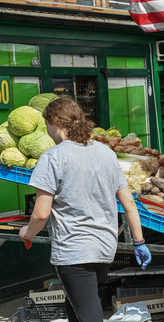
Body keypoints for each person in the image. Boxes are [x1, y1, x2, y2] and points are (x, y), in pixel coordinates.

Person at [19, 97, 151, 322]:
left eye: (47, 124)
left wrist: (27, 233)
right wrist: (139, 242)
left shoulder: (52, 157)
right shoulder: (105, 153)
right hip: (104, 249)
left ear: (55, 122)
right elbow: (129, 204)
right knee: (76, 306)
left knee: (88, 313)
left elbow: (41, 213)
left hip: (74, 252)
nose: (48, 130)